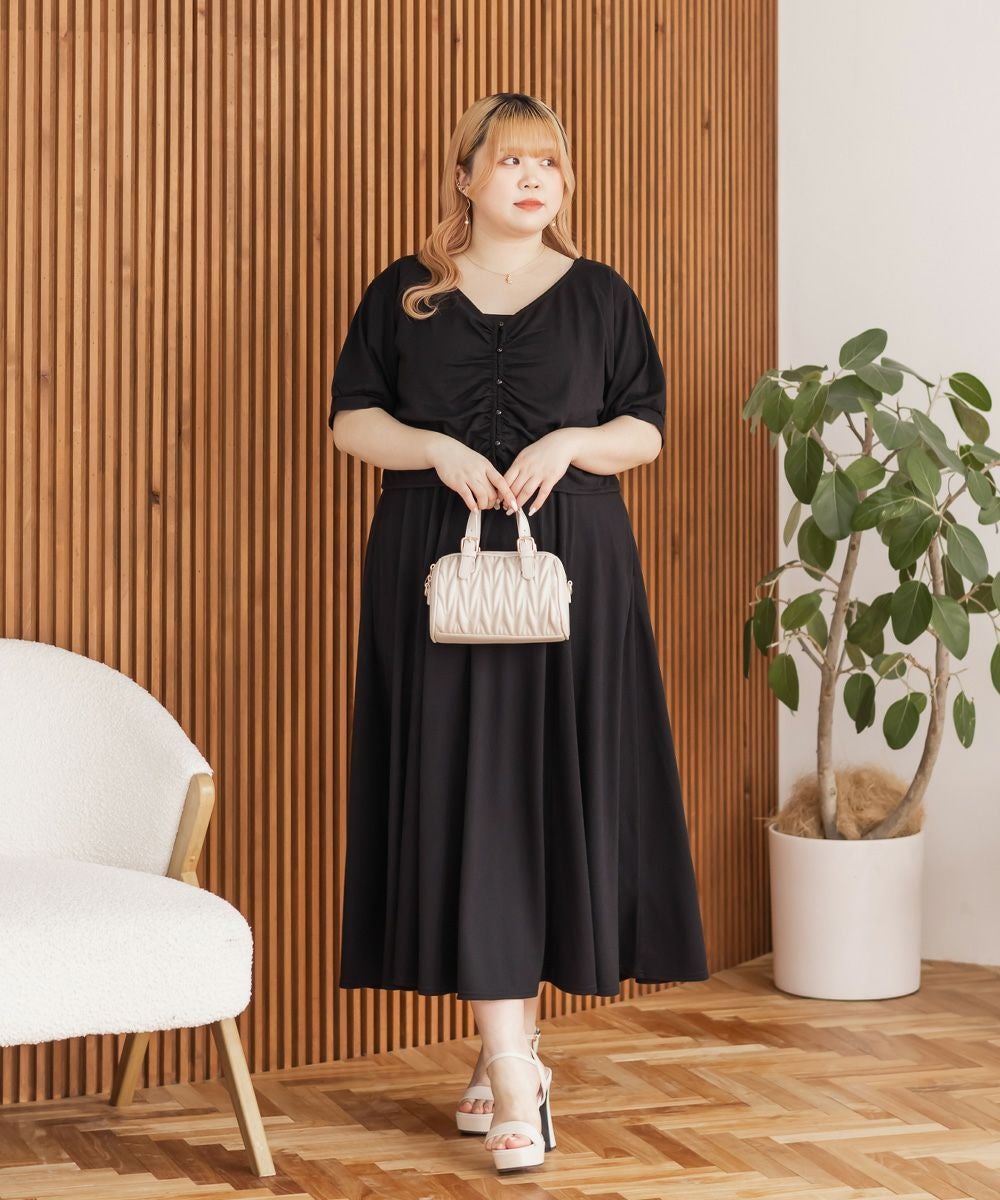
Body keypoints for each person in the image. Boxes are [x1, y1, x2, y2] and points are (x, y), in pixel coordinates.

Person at [329, 92, 709, 1175]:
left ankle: (506, 1061)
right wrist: (433, 449)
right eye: (509, 162)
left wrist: (576, 441)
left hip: (573, 578)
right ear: (465, 178)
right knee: (469, 800)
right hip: (436, 576)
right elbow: (352, 419)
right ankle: (512, 1069)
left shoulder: (601, 295)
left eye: (548, 161)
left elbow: (647, 427)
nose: (533, 179)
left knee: (539, 801)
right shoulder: (405, 294)